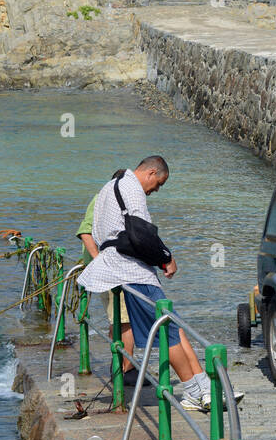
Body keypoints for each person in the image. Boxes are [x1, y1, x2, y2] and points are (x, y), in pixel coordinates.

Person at [77, 156, 213, 409]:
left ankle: (203, 385)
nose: (156, 190)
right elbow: (143, 235)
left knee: (171, 326)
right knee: (167, 331)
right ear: (151, 172)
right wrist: (167, 258)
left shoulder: (109, 188)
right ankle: (193, 391)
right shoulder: (132, 189)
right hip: (133, 271)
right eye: (159, 183)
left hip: (117, 267)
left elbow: (99, 232)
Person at [77, 172, 136, 382]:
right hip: (111, 271)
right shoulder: (104, 199)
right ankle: (126, 370)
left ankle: (118, 364)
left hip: (111, 269)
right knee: (125, 319)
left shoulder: (106, 199)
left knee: (117, 317)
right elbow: (85, 232)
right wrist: (100, 260)